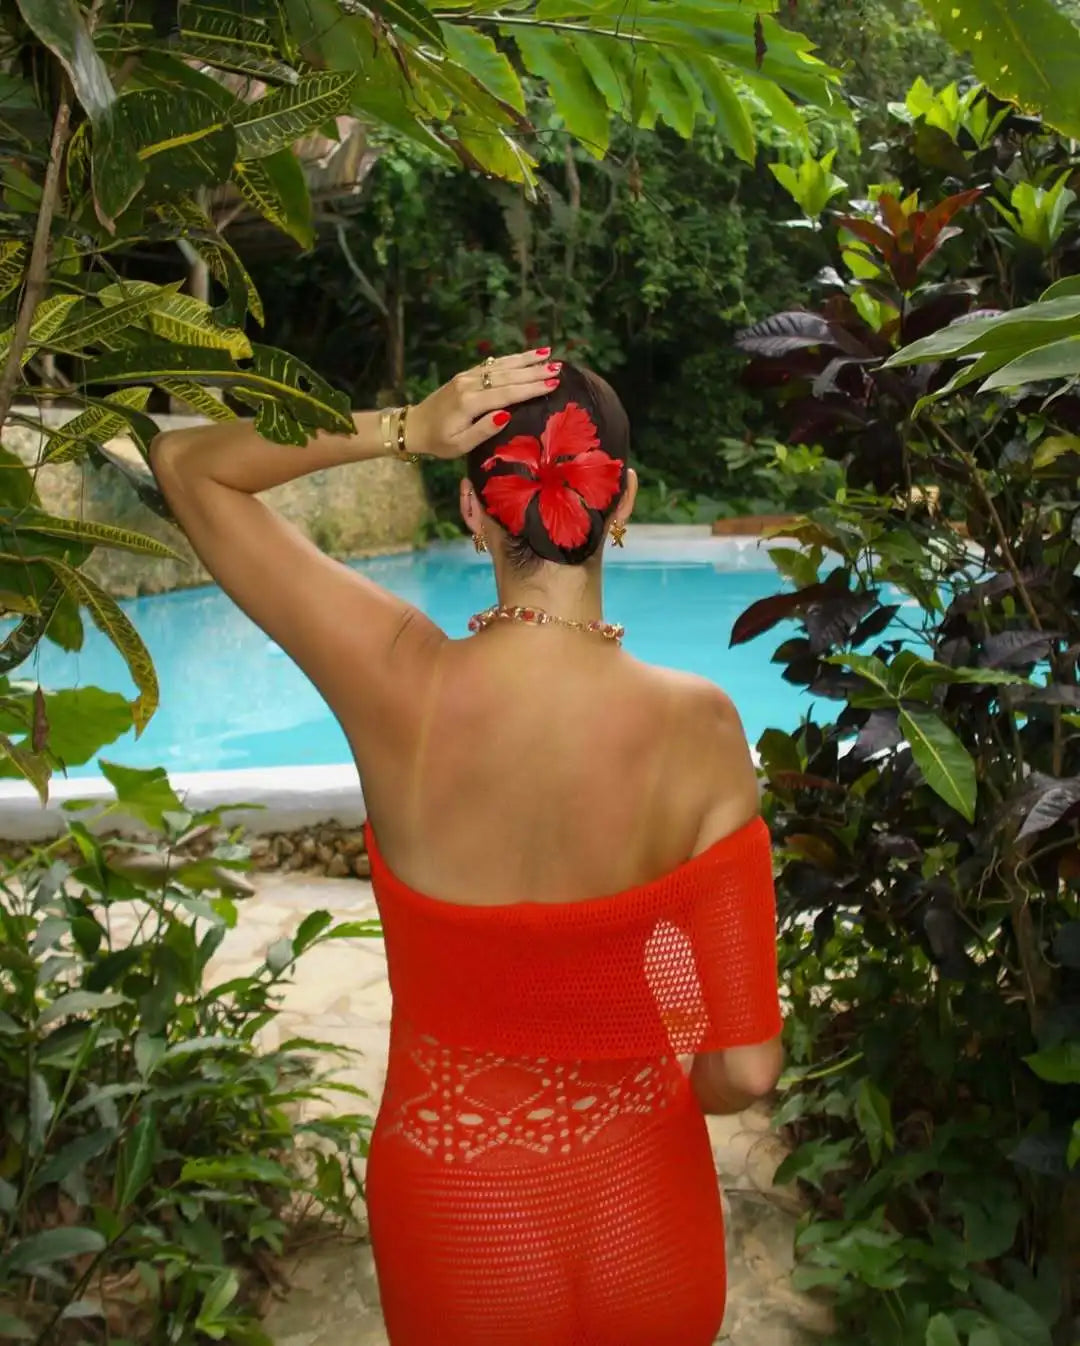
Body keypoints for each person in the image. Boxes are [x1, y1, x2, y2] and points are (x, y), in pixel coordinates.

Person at [150, 350, 783, 1346]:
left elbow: (187, 463)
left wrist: (399, 425)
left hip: (457, 1207)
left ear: (471, 509)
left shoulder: (397, 678)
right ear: (622, 506)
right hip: (642, 1206)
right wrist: (662, 1075)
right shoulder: (701, 726)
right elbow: (745, 1069)